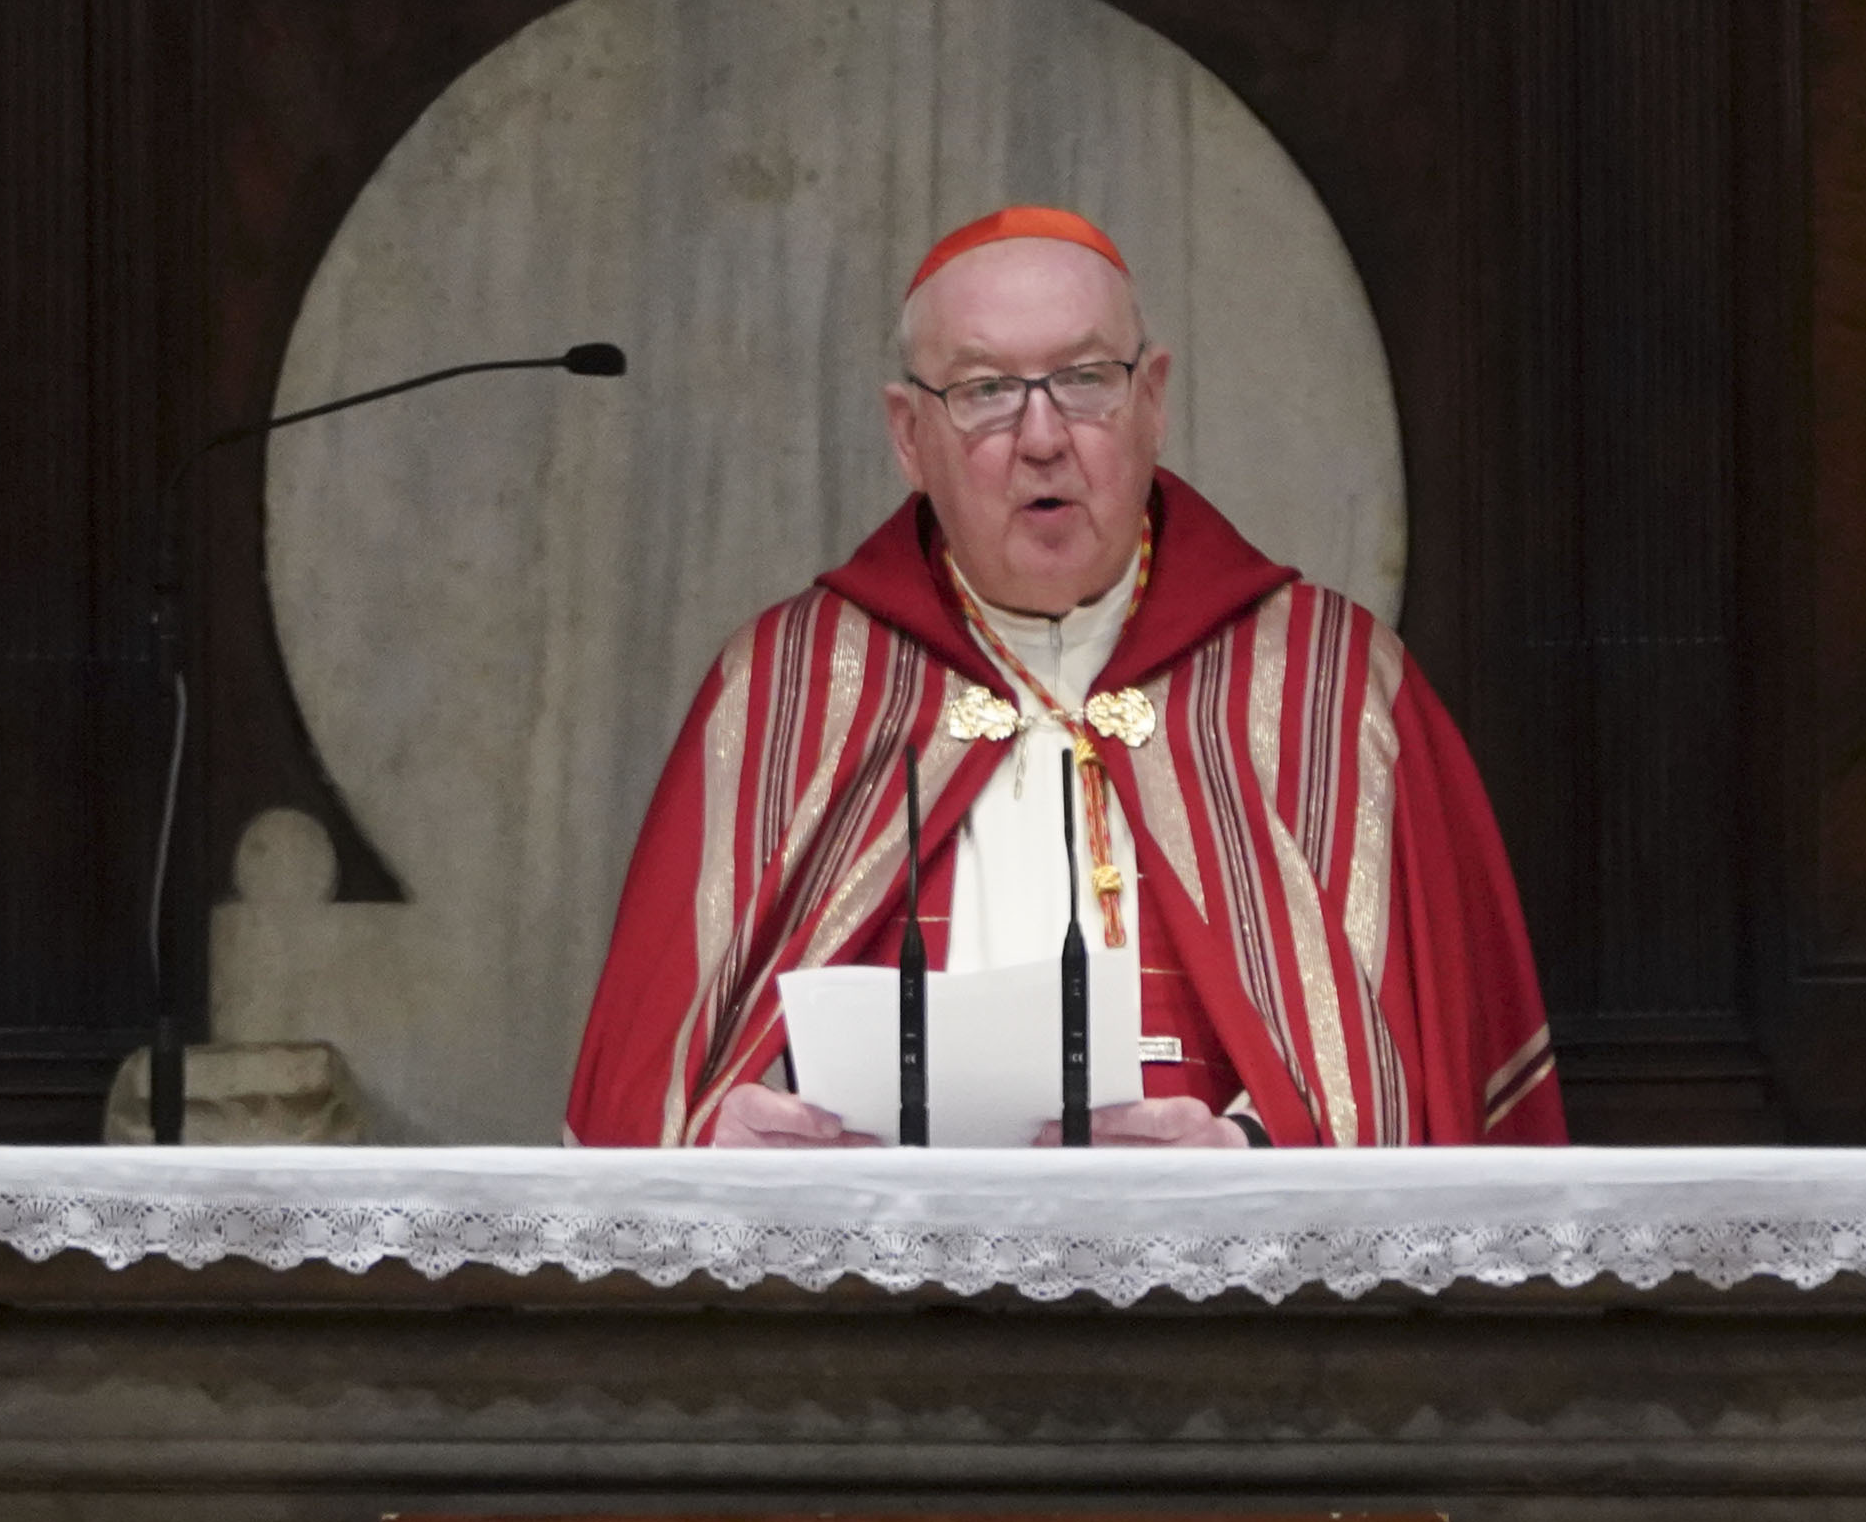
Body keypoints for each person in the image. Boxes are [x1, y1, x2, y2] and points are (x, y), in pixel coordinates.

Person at [561, 205, 1565, 1149]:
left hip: (1222, 1310)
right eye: (986, 390)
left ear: (1153, 399)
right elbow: (658, 1081)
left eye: (1085, 378)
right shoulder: (789, 691)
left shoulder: (1326, 687)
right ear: (908, 435)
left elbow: (1416, 1068)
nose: (1041, 436)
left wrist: (1245, 1152)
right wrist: (725, 1135)